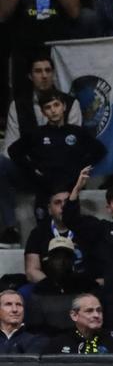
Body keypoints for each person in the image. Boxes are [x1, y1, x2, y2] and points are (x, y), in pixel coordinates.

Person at [1, 53, 82, 245]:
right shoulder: (18, 105)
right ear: (30, 76)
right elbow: (10, 149)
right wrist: (32, 168)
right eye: (38, 71)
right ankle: (10, 228)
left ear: (53, 74)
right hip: (29, 171)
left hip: (61, 171)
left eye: (47, 70)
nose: (44, 75)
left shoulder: (70, 104)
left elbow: (77, 145)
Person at [64, 168, 113, 339]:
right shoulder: (102, 229)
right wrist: (77, 188)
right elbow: (71, 220)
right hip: (112, 298)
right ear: (108, 208)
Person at [8, 89, 107, 202]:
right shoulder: (36, 134)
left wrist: (80, 169)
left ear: (64, 107)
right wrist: (32, 169)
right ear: (43, 112)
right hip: (44, 190)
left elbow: (100, 151)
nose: (53, 110)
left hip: (71, 190)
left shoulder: (77, 132)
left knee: (71, 218)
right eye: (48, 107)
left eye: (56, 105)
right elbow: (13, 151)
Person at [26, 236, 100, 336]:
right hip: (50, 344)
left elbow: (96, 322)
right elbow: (35, 328)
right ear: (49, 260)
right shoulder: (40, 289)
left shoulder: (88, 286)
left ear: (73, 260)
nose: (62, 262)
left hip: (83, 340)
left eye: (66, 257)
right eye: (57, 257)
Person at [47, 293, 113, 354]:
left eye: (99, 310)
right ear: (74, 315)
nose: (96, 315)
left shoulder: (112, 341)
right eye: (89, 311)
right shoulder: (59, 343)